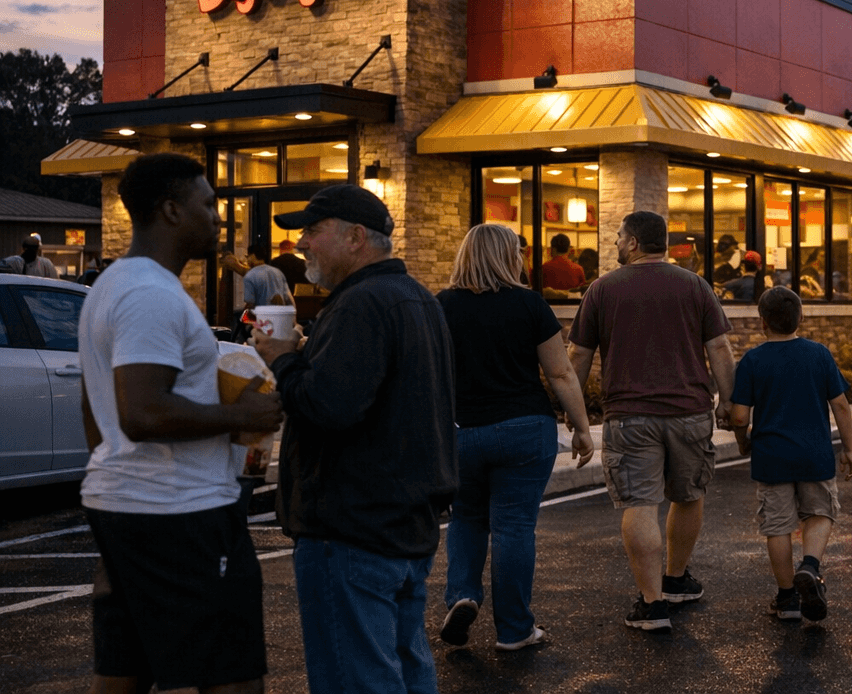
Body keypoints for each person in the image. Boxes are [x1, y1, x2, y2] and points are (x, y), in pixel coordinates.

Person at [77, 153, 284, 694]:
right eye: (209, 203)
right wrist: (244, 415)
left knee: (125, 668)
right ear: (171, 210)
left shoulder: (112, 283)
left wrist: (121, 484)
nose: (221, 217)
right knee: (233, 676)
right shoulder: (150, 294)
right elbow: (141, 412)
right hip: (181, 513)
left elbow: (94, 406)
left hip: (131, 505)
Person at [251, 185, 456, 694]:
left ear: (356, 237)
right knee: (406, 668)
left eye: (312, 231)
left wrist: (282, 359)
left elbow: (328, 406)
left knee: (358, 678)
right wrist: (304, 350)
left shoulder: (361, 305)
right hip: (402, 522)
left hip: (351, 527)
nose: (301, 245)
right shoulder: (416, 299)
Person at [568, 210, 737, 631]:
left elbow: (578, 357)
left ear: (634, 243)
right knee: (688, 494)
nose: (615, 244)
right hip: (690, 412)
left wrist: (575, 418)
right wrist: (727, 402)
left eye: (619, 237)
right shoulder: (696, 285)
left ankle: (652, 603)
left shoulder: (602, 289)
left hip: (629, 416)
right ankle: (677, 579)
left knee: (641, 503)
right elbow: (719, 349)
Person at [436, 224, 594, 652]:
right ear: (511, 257)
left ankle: (463, 596)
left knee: (466, 517)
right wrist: (580, 427)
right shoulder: (530, 305)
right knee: (513, 527)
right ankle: (514, 630)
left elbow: (427, 375)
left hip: (461, 432)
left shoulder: (441, 306)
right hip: (524, 428)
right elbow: (560, 372)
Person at [729, 287, 852, 624]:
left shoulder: (753, 361)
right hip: (814, 455)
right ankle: (810, 567)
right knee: (819, 512)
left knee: (778, 527)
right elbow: (841, 404)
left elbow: (740, 416)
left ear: (762, 323)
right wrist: (850, 448)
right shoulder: (819, 354)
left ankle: (787, 599)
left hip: (771, 458)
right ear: (800, 318)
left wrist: (743, 441)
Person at [241, 242, 291, 312]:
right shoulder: (277, 272)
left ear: (252, 256)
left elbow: (250, 303)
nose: (247, 260)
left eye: (247, 256)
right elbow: (287, 297)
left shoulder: (251, 275)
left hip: (261, 316)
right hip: (278, 314)